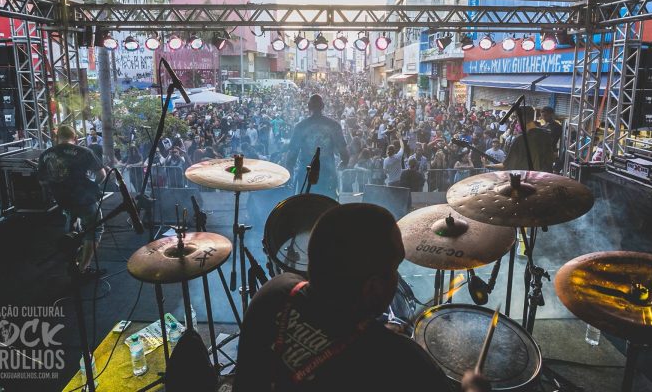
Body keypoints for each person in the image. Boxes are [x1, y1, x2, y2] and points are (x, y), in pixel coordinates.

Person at [233, 203, 489, 392]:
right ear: (373, 288)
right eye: (394, 267)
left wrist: (373, 335)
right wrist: (474, 387)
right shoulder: (403, 363)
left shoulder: (275, 291)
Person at [37, 125, 107, 277]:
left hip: (63, 200)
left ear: (57, 138)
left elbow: (42, 181)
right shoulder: (84, 152)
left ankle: (72, 260)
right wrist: (93, 187)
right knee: (94, 230)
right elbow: (102, 175)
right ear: (75, 138)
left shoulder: (46, 154)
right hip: (85, 200)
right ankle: (82, 269)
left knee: (72, 228)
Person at [286, 94, 349, 199]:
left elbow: (292, 154)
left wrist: (290, 172)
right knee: (327, 207)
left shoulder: (301, 126)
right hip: (327, 174)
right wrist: (342, 165)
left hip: (306, 174)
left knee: (305, 205)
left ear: (308, 106)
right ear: (323, 106)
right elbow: (345, 154)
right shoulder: (333, 125)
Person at [499, 106, 555, 172]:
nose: (516, 120)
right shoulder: (546, 134)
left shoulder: (519, 140)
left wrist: (487, 165)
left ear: (521, 118)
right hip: (544, 176)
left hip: (528, 178)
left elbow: (507, 165)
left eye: (517, 117)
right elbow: (551, 158)